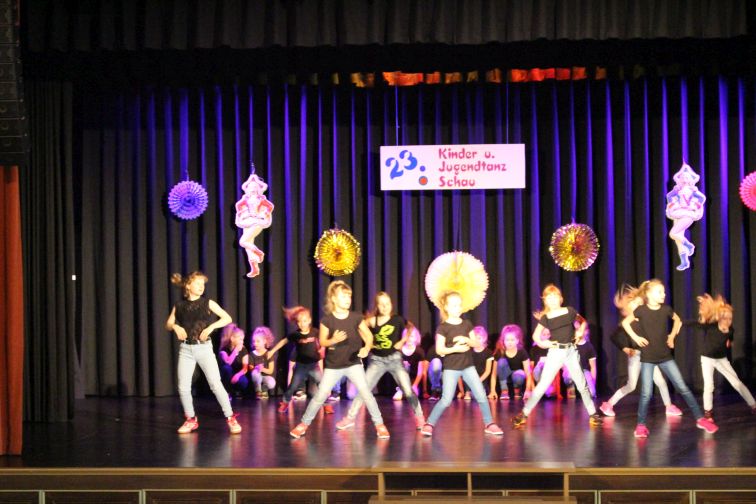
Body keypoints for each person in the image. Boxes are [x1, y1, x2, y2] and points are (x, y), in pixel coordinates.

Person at [289, 281, 389, 439]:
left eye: (349, 296)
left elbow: (369, 336)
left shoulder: (356, 318)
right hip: (333, 366)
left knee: (366, 393)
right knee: (320, 395)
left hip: (353, 363)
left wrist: (366, 347)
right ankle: (303, 424)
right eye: (344, 296)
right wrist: (333, 340)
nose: (348, 299)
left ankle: (380, 425)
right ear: (334, 299)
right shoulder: (326, 321)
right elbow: (323, 342)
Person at [621, 279, 718, 438]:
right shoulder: (641, 310)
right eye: (660, 292)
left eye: (664, 292)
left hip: (665, 357)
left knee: (683, 388)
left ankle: (700, 419)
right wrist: (636, 337)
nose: (664, 294)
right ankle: (640, 425)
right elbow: (626, 323)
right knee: (646, 393)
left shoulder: (666, 309)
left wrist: (672, 336)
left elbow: (678, 320)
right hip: (648, 358)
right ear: (649, 294)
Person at [512, 285, 602, 428]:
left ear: (560, 298)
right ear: (545, 301)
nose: (552, 300)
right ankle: (524, 413)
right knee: (542, 385)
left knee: (581, 384)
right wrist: (545, 344)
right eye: (549, 298)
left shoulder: (569, 311)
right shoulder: (546, 318)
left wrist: (580, 332)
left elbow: (583, 321)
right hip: (556, 353)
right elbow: (536, 336)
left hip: (571, 351)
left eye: (554, 297)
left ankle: (593, 414)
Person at [165, 271, 242, 434]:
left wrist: (211, 327)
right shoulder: (179, 305)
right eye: (198, 283)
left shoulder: (207, 303)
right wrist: (176, 326)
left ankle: (230, 417)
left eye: (203, 284)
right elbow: (168, 324)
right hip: (186, 349)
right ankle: (191, 419)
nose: (201, 287)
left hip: (204, 348)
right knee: (183, 387)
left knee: (215, 384)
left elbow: (227, 318)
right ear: (188, 286)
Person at [338, 292, 425, 430]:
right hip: (377, 361)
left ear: (391, 305)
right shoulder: (373, 320)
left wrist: (403, 340)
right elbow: (360, 327)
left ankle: (420, 418)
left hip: (394, 360)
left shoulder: (397, 319)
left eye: (387, 304)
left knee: (408, 390)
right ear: (377, 306)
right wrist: (368, 342)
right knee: (363, 390)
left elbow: (410, 326)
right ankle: (350, 418)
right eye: (381, 304)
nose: (385, 307)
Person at [420, 292, 504, 437]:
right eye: (454, 305)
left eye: (459, 305)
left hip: (468, 367)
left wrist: (466, 340)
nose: (458, 308)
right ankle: (429, 423)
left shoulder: (467, 324)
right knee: (446, 399)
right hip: (451, 368)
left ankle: (489, 423)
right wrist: (455, 348)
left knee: (481, 395)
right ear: (446, 307)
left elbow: (476, 343)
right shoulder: (443, 328)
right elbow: (440, 350)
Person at [600, 285, 680, 417]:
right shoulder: (628, 323)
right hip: (636, 356)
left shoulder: (645, 318)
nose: (638, 305)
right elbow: (614, 337)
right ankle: (608, 404)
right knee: (631, 385)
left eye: (639, 302)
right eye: (634, 303)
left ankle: (669, 406)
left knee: (660, 381)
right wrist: (625, 348)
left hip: (649, 356)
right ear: (629, 307)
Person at [694, 293, 755, 419]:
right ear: (718, 318)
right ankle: (708, 412)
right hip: (707, 359)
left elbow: (730, 338)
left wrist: (729, 342)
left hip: (721, 359)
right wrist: (703, 310)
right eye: (725, 318)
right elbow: (698, 323)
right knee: (709, 385)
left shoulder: (730, 330)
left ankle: (753, 405)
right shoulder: (711, 326)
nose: (727, 321)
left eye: (730, 318)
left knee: (737, 383)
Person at [270, 306, 330, 413]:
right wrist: (272, 351)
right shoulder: (295, 334)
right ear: (297, 323)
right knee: (293, 386)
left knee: (322, 385)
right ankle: (285, 402)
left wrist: (323, 348)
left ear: (309, 320)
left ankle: (326, 404)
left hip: (314, 365)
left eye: (305, 321)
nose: (302, 324)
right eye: (299, 321)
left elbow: (323, 341)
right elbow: (283, 341)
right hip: (301, 366)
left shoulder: (315, 332)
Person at [493, 324, 533, 401]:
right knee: (501, 362)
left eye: (512, 340)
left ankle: (517, 391)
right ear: (503, 341)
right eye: (507, 340)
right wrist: (492, 391)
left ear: (517, 340)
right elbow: (494, 374)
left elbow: (528, 373)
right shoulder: (500, 352)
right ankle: (504, 391)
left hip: (516, 377)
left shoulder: (522, 352)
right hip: (504, 378)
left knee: (520, 373)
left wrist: (528, 390)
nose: (509, 342)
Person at [457, 326, 496, 400]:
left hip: (481, 378)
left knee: (478, 395)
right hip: (471, 377)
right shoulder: (469, 351)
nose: (477, 341)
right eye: (474, 339)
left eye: (479, 338)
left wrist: (478, 381)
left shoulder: (488, 352)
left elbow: (487, 371)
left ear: (484, 339)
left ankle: (476, 391)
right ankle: (467, 392)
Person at [393, 324, 429, 400]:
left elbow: (420, 372)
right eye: (407, 336)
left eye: (412, 336)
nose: (409, 339)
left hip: (413, 380)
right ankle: (401, 389)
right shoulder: (400, 351)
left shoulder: (419, 351)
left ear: (416, 338)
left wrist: (414, 386)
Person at [562, 321, 597, 399]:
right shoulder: (570, 345)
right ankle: (571, 388)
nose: (576, 331)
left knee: (592, 394)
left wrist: (592, 383)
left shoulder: (589, 346)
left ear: (586, 331)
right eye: (575, 329)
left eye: (579, 329)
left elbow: (593, 367)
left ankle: (586, 390)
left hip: (584, 372)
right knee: (568, 376)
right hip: (571, 371)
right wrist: (566, 370)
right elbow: (564, 362)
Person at [218, 324, 250, 397]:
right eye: (240, 339)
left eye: (242, 339)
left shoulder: (244, 350)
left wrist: (238, 375)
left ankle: (236, 391)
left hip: (237, 374)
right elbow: (228, 362)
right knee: (227, 368)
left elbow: (245, 368)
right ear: (232, 339)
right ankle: (227, 392)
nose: (242, 342)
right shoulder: (224, 350)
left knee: (244, 382)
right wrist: (235, 350)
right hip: (226, 376)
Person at [249, 326, 276, 399]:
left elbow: (270, 371)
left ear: (264, 341)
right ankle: (258, 391)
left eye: (258, 341)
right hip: (256, 376)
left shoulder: (269, 354)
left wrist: (262, 369)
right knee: (255, 373)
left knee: (272, 382)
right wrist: (256, 368)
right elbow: (250, 367)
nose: (255, 343)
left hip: (264, 377)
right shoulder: (252, 354)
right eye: (254, 341)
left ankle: (264, 390)